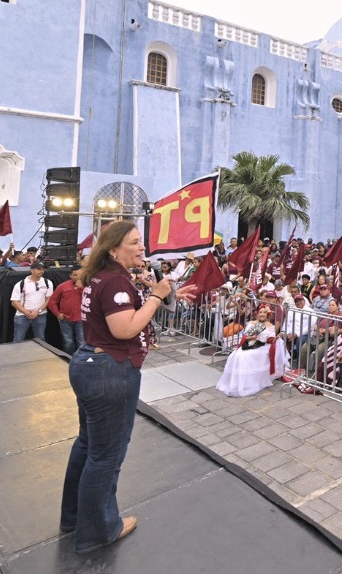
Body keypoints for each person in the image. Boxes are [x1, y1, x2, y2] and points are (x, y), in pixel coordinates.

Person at [60, 221, 196, 554]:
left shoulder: (103, 277)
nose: (141, 247)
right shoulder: (116, 282)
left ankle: (74, 517)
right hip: (111, 370)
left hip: (91, 363)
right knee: (106, 457)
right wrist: (156, 296)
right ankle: (99, 531)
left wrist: (164, 294)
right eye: (134, 242)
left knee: (88, 445)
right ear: (113, 249)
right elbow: (125, 327)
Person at [216, 303, 291, 396]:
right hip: (248, 344)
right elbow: (245, 337)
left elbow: (270, 340)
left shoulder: (270, 325)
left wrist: (277, 337)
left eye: (264, 312)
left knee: (245, 356)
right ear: (257, 314)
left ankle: (248, 383)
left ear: (267, 314)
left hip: (262, 346)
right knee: (235, 355)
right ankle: (235, 383)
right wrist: (251, 338)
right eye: (260, 312)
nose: (262, 314)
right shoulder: (251, 323)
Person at [11, 262, 54, 342]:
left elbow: (49, 299)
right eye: (38, 269)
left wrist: (38, 311)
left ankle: (40, 354)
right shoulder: (21, 284)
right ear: (32, 270)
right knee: (18, 339)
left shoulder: (47, 282)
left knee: (40, 339)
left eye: (42, 269)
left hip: (40, 315)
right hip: (22, 316)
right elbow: (14, 302)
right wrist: (27, 313)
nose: (41, 271)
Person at [48, 265, 85, 354]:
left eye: (80, 275)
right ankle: (69, 359)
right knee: (68, 341)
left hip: (81, 319)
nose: (78, 277)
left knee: (82, 341)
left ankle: (81, 360)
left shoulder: (88, 286)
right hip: (65, 319)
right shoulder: (62, 286)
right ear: (70, 275)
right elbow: (52, 301)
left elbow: (93, 299)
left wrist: (82, 288)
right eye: (75, 275)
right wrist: (57, 314)